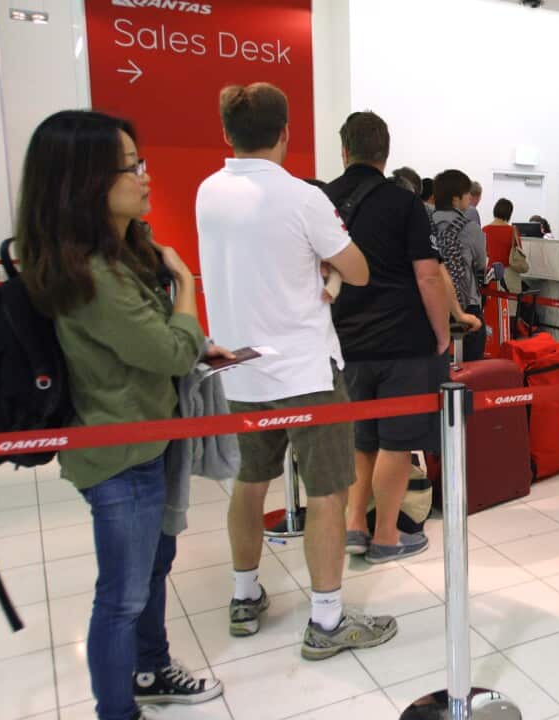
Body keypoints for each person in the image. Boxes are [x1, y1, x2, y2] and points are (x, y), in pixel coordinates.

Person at [18, 110, 225, 719]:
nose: (144, 177)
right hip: (118, 455)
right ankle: (119, 708)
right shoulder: (90, 272)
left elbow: (162, 342)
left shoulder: (118, 257)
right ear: (85, 180)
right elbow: (167, 350)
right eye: (131, 166)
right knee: (122, 597)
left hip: (147, 441)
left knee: (153, 568)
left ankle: (151, 666)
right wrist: (186, 282)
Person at [196, 82, 399, 661]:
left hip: (239, 371)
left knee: (249, 483)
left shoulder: (208, 192)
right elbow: (357, 270)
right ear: (286, 133)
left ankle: (243, 595)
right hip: (307, 373)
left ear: (227, 133)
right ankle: (328, 621)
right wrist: (326, 271)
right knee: (329, 492)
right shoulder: (301, 198)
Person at [323, 111, 450, 562]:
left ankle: (354, 525)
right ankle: (386, 535)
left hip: (342, 342)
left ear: (344, 150)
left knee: (361, 437)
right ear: (386, 152)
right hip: (402, 344)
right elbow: (428, 276)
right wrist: (441, 334)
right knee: (397, 442)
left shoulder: (322, 200)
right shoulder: (405, 204)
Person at [433, 169, 488, 362]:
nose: (470, 198)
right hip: (466, 304)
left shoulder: (425, 222)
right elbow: (481, 263)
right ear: (456, 198)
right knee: (471, 362)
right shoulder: (469, 227)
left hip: (431, 304)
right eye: (467, 194)